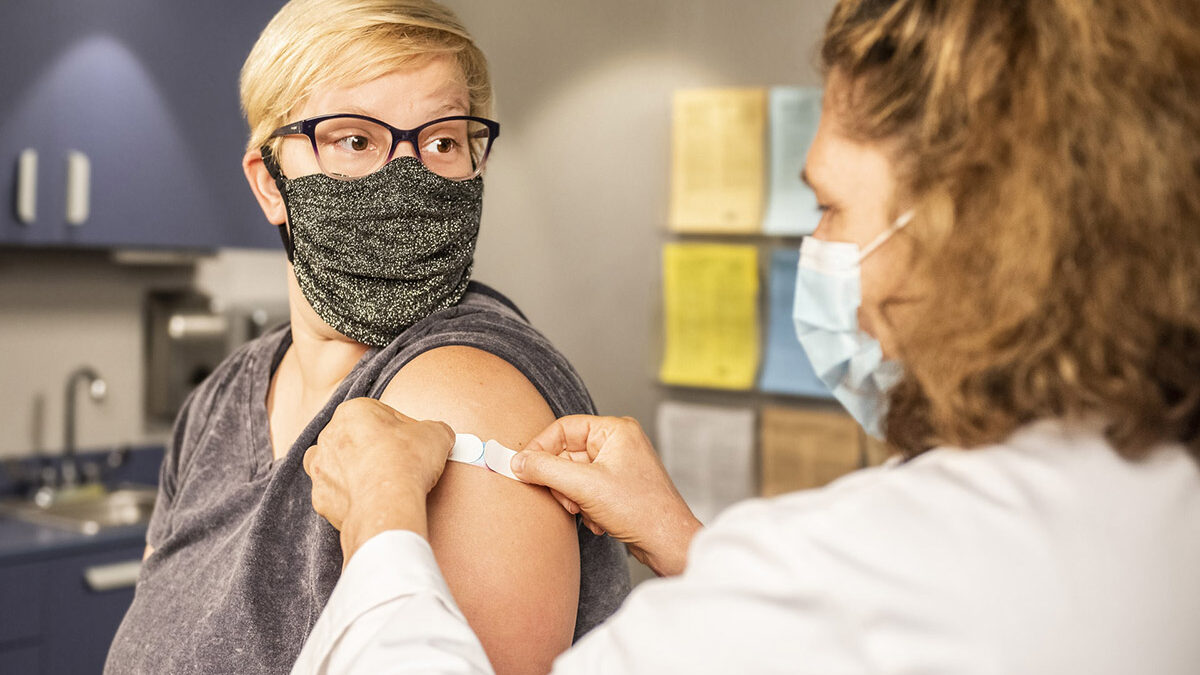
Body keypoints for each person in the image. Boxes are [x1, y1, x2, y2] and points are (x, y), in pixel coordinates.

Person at [293, 0, 1200, 672]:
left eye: (834, 207)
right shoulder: (1149, 504)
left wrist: (381, 521)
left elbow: (842, 607)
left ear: (974, 236)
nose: (814, 251)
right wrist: (684, 537)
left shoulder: (875, 563)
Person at [104, 1, 630, 673]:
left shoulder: (468, 392)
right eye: (354, 139)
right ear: (271, 184)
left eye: (442, 140)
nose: (406, 175)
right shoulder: (220, 403)